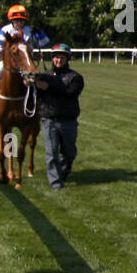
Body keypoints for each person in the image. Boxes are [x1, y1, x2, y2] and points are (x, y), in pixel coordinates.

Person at [33, 43, 84, 190]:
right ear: (52, 59)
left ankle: (64, 171)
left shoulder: (75, 78)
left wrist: (49, 87)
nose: (58, 60)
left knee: (69, 153)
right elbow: (38, 95)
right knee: (51, 153)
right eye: (56, 57)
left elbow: (69, 93)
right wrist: (31, 85)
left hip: (68, 121)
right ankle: (56, 184)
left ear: (67, 59)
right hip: (49, 120)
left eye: (62, 58)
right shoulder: (44, 76)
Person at [0, 4, 50, 100]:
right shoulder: (5, 30)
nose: (19, 22)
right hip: (10, 61)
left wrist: (40, 33)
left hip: (27, 62)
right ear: (11, 20)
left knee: (37, 79)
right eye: (16, 20)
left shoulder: (30, 31)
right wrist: (1, 55)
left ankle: (39, 98)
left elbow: (45, 42)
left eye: (21, 20)